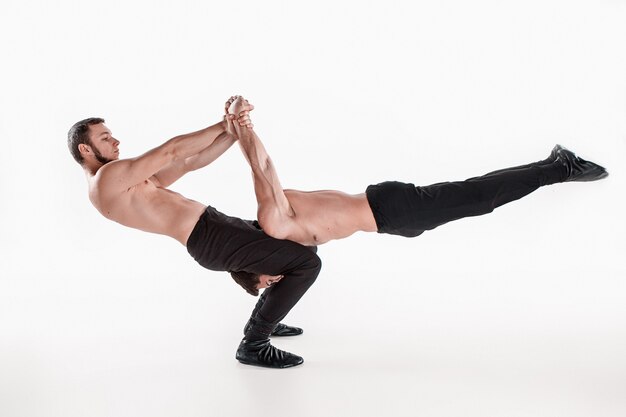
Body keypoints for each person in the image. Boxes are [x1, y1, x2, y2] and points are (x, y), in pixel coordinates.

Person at [225, 96, 608, 292]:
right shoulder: (282, 231)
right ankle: (554, 163)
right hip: (388, 211)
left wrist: (242, 123)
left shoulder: (274, 224)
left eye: (265, 282)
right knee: (477, 192)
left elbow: (262, 169)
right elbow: (264, 169)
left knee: (481, 197)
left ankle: (561, 167)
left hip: (390, 211)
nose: (275, 282)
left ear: (255, 265)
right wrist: (239, 127)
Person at [67, 98, 323, 369]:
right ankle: (254, 344)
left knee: (303, 246)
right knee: (307, 264)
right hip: (210, 238)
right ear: (85, 148)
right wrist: (227, 122)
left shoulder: (121, 183)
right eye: (105, 138)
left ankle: (264, 319)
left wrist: (234, 130)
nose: (116, 141)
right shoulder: (106, 179)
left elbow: (188, 162)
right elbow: (171, 151)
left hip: (214, 227)